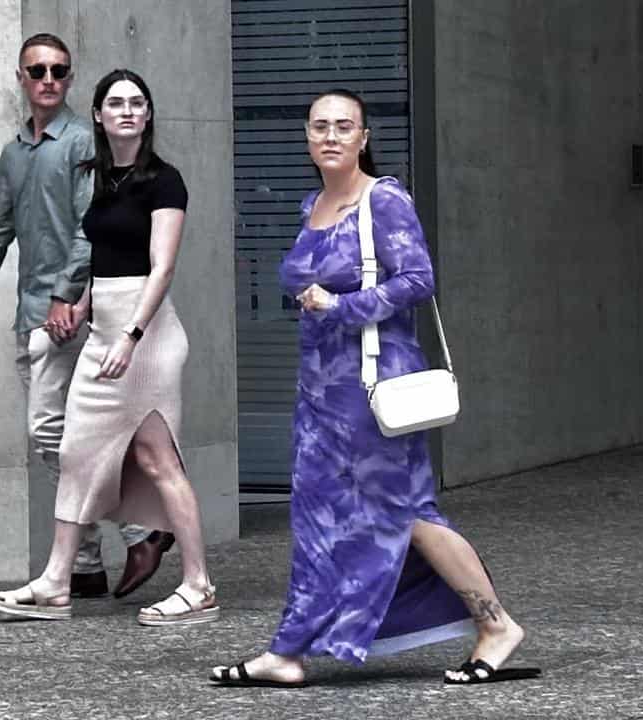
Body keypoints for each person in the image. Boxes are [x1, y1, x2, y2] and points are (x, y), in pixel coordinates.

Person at [208, 89, 539, 687]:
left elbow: (418, 279)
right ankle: (288, 651)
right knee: (313, 518)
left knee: (405, 512)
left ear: (363, 136)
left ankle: (497, 625)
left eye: (344, 127)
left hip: (372, 384)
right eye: (319, 127)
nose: (331, 136)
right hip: (318, 392)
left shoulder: (382, 200)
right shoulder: (313, 204)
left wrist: (341, 304)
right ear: (307, 138)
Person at [0, 34, 174, 601]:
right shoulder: (13, 154)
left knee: (53, 436)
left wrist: (67, 295)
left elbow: (95, 227)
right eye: (37, 70)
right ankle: (85, 564)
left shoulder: (86, 144)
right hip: (30, 314)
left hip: (74, 315)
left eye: (59, 71)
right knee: (62, 442)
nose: (48, 79)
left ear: (68, 79)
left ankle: (141, 529)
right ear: (21, 77)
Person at [0, 69, 217, 625]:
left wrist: (132, 335)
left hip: (148, 334)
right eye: (115, 103)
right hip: (104, 331)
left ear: (148, 114)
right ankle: (55, 582)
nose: (127, 111)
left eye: (138, 103)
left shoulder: (164, 180)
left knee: (158, 460)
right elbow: (103, 263)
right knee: (75, 454)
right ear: (97, 114)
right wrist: (80, 310)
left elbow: (160, 268)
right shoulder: (100, 179)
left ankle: (199, 584)